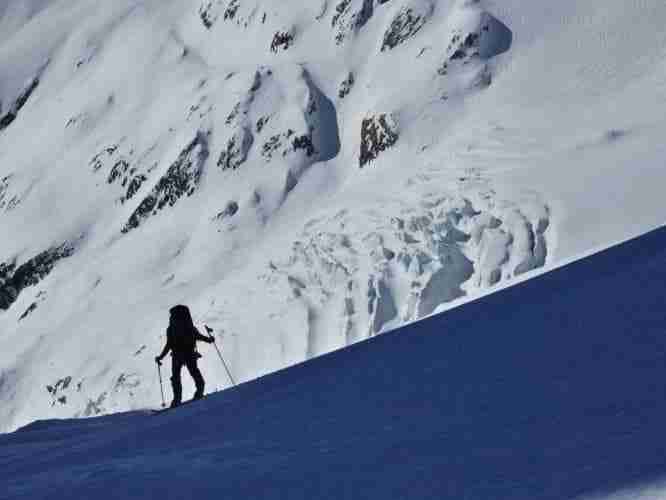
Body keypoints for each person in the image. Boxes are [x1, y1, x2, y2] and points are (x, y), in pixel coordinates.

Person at [155, 305, 215, 408]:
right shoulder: (189, 326)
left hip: (177, 356)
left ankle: (177, 399)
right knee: (194, 372)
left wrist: (160, 357)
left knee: (176, 377)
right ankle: (199, 391)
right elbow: (198, 336)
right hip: (190, 354)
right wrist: (209, 340)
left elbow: (168, 345)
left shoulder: (171, 329)